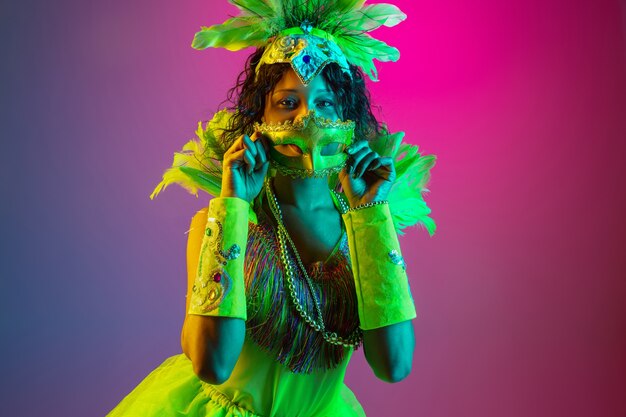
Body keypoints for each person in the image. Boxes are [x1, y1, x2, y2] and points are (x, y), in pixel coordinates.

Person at [107, 1, 436, 416]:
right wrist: (233, 206)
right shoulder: (223, 221)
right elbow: (212, 363)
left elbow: (394, 365)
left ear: (348, 116)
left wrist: (371, 214)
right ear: (258, 118)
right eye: (287, 102)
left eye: (325, 103)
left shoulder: (363, 226)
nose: (306, 117)